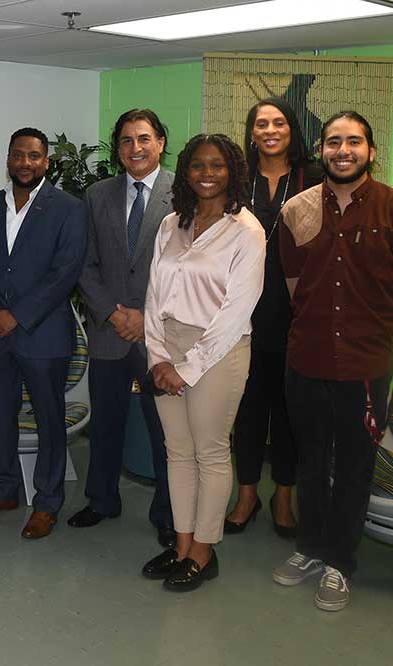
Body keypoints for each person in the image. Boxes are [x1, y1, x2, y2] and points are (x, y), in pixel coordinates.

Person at [272, 111, 393, 612]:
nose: (343, 151)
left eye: (354, 142)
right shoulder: (297, 210)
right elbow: (296, 289)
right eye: (333, 142)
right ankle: (310, 548)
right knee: (311, 461)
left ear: (370, 150)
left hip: (366, 364)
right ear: (321, 149)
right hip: (307, 358)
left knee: (354, 467)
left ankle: (340, 562)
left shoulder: (389, 207)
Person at [140, 134, 265, 592]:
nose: (207, 174)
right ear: (185, 172)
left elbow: (236, 312)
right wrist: (156, 355)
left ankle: (204, 551)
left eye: (217, 165)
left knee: (210, 452)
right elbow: (154, 295)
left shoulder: (247, 231)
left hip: (218, 350)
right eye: (197, 166)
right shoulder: (172, 223)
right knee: (178, 452)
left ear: (232, 170)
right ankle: (181, 543)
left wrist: (185, 368)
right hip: (167, 346)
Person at [0, 127, 87, 540]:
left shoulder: (68, 208)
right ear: (8, 160)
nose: (25, 163)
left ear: (46, 162)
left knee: (49, 420)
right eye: (18, 155)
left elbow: (65, 272)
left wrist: (17, 315)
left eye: (34, 156)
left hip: (42, 335)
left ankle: (47, 502)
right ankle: (4, 490)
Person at [69, 109, 176, 548]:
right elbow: (85, 263)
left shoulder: (184, 192)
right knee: (107, 423)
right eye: (128, 140)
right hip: (110, 330)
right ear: (118, 148)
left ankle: (168, 515)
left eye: (145, 138)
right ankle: (102, 499)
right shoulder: (97, 195)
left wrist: (144, 315)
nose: (136, 147)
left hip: (160, 335)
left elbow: (183, 269)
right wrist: (113, 312)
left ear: (161, 142)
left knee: (165, 431)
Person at [225, 99, 323, 538]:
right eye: (261, 123)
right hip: (240, 316)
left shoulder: (314, 178)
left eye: (278, 122)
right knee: (245, 410)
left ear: (292, 130)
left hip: (297, 317)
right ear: (251, 132)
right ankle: (246, 493)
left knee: (289, 412)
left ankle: (284, 495)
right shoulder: (234, 179)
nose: (269, 130)